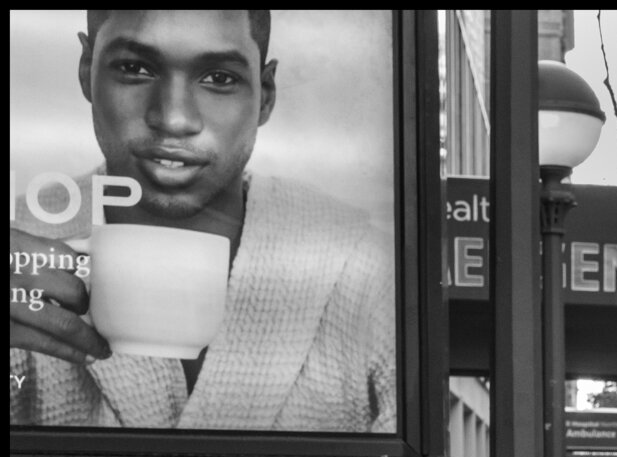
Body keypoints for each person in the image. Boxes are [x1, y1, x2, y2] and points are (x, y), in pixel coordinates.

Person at [10, 9, 395, 431]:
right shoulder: (23, 245)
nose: (174, 119)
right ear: (87, 71)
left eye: (219, 78)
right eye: (135, 68)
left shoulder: (359, 267)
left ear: (265, 94)